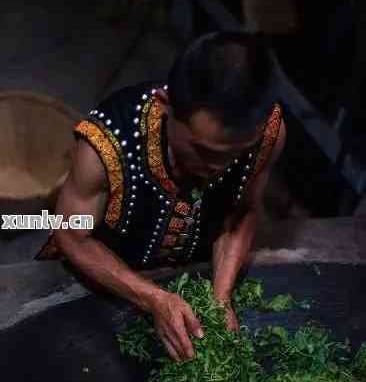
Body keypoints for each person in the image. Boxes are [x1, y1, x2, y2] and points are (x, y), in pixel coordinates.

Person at [36, 32, 286, 362]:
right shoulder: (109, 142)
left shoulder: (269, 133)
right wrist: (153, 298)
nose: (218, 167)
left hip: (188, 266)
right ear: (165, 106)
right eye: (203, 151)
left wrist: (221, 298)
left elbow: (241, 211)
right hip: (106, 274)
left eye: (234, 155)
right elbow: (71, 234)